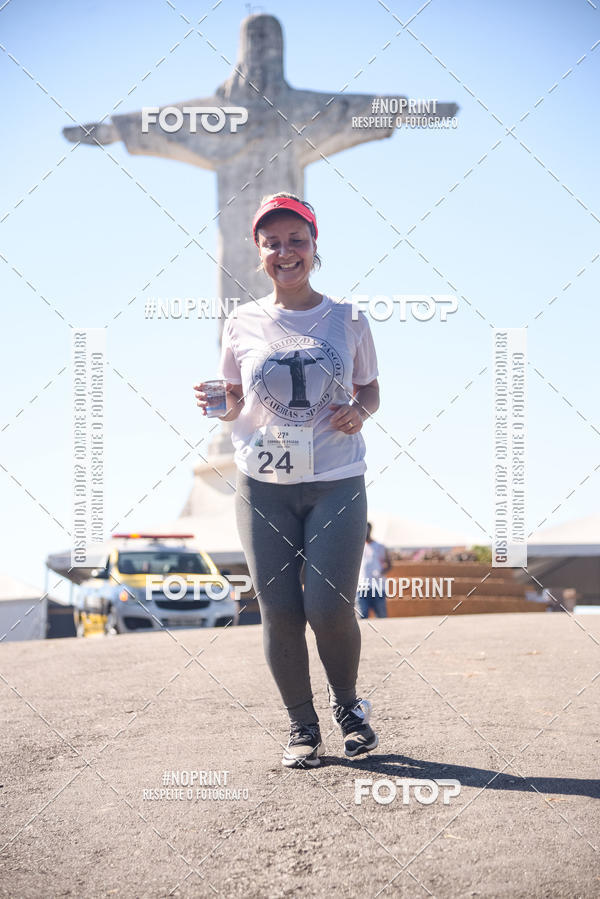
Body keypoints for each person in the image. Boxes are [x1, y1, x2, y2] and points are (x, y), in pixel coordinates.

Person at [194, 192, 380, 768]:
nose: (285, 251)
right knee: (278, 610)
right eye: (271, 243)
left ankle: (348, 707)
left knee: (327, 606)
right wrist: (217, 404)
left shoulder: (348, 317)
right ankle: (303, 728)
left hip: (336, 478)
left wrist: (361, 411)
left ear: (314, 245)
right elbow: (233, 403)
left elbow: (370, 388)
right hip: (262, 483)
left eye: (295, 240)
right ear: (259, 253)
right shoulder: (242, 322)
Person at [356, 523, 392, 619]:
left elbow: (389, 565)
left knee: (381, 616)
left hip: (378, 586)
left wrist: (381, 572)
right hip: (361, 587)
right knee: (362, 616)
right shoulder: (356, 547)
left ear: (370, 530)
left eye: (367, 530)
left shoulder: (380, 547)